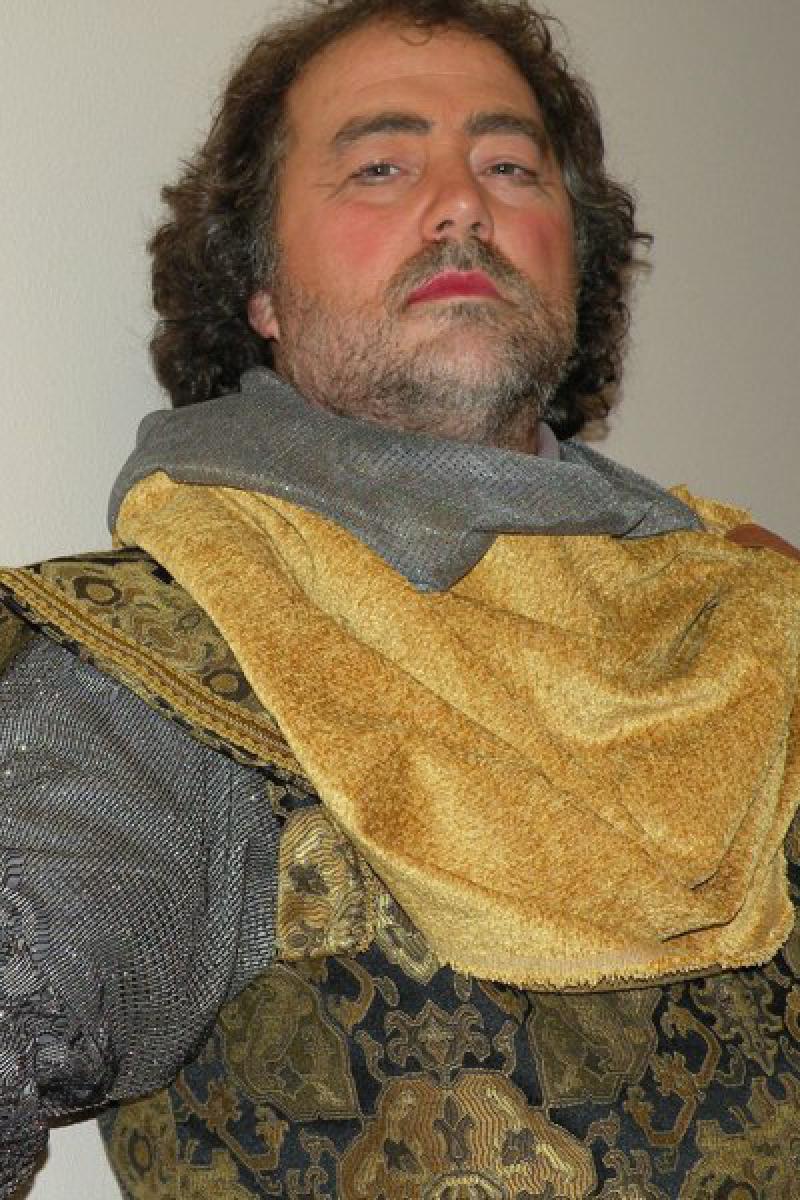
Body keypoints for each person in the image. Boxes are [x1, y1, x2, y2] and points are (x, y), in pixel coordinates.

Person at [2, 0, 799, 1196]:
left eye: (509, 167)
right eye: (380, 166)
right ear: (261, 290)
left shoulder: (752, 612)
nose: (462, 203)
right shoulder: (157, 662)